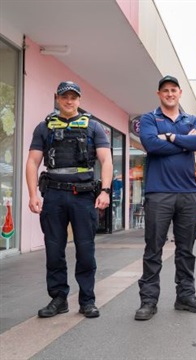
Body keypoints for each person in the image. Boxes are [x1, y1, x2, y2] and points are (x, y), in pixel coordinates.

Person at [26, 81, 113, 319]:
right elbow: (33, 161)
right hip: (53, 195)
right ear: (57, 97)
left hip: (83, 195)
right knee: (54, 250)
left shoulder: (93, 127)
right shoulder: (44, 128)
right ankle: (58, 299)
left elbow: (106, 160)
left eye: (74, 97)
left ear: (79, 99)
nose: (69, 101)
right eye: (65, 96)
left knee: (86, 250)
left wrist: (105, 191)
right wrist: (33, 194)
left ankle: (87, 300)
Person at [135, 75, 196, 321]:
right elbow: (150, 145)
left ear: (180, 93)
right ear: (159, 94)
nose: (169, 94)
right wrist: (184, 142)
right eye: (165, 90)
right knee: (153, 249)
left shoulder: (192, 119)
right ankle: (148, 300)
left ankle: (185, 297)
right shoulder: (149, 118)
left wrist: (170, 137)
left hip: (188, 194)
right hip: (158, 194)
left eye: (173, 90)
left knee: (186, 250)